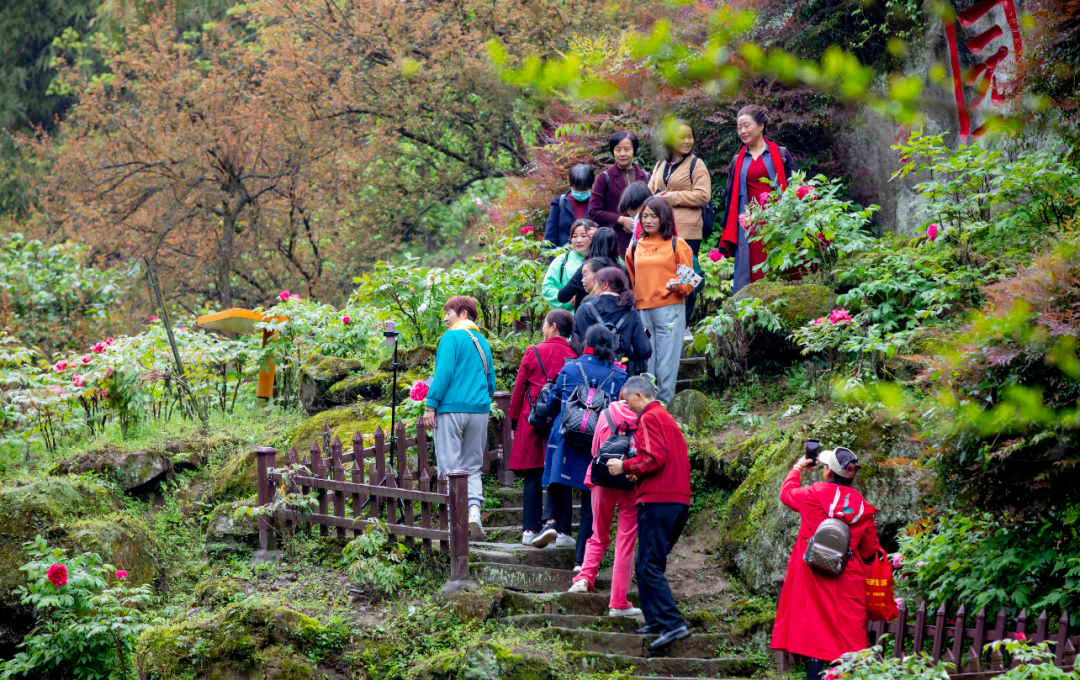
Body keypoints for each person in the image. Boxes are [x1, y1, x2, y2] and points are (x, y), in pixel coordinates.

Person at [771, 447, 880, 680]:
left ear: (829, 472)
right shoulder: (862, 507)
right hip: (847, 579)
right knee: (847, 640)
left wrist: (798, 468)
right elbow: (870, 548)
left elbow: (786, 493)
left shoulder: (811, 494)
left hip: (812, 574)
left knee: (814, 640)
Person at [605, 375, 691, 652]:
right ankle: (655, 620)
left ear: (639, 396)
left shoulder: (649, 417)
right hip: (674, 499)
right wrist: (637, 474)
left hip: (659, 501)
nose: (628, 409)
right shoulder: (665, 418)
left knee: (649, 565)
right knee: (647, 564)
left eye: (628, 402)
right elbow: (661, 458)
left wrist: (626, 466)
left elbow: (654, 457)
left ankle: (673, 623)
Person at [532, 325, 628, 570]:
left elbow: (553, 403)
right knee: (589, 498)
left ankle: (551, 522)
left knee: (557, 478)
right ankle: (581, 560)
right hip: (598, 440)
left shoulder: (570, 367)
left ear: (586, 342)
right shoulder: (619, 376)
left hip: (567, 433)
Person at [422, 296, 497, 541]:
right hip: (479, 410)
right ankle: (474, 512)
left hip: (451, 409)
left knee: (449, 466)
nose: (445, 318)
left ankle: (455, 520)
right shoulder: (483, 342)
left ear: (463, 313)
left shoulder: (451, 338)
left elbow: (443, 373)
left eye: (448, 313)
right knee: (473, 466)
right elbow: (491, 383)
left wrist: (430, 405)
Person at [567, 386, 642, 619]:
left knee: (598, 534)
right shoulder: (644, 418)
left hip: (601, 478)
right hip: (630, 481)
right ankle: (618, 602)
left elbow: (595, 449)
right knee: (626, 541)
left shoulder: (607, 411)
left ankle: (583, 578)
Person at [507, 309, 578, 546]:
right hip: (564, 421)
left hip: (533, 420)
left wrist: (514, 422)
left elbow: (518, 391)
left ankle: (530, 529)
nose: (543, 328)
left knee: (534, 474)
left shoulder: (534, 351)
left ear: (554, 326)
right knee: (563, 473)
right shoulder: (574, 355)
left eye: (545, 324)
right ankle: (563, 532)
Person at [719, 105, 798, 293]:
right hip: (749, 225)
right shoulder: (737, 159)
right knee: (749, 272)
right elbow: (730, 197)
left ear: (761, 125)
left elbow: (796, 187)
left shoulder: (780, 154)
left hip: (778, 222)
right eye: (739, 128)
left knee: (780, 267)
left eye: (746, 126)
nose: (742, 131)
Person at [624, 196, 694, 404]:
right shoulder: (635, 246)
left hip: (670, 309)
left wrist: (678, 286)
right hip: (642, 311)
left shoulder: (677, 244)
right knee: (647, 363)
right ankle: (645, 408)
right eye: (644, 216)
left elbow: (689, 282)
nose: (648, 220)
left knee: (667, 364)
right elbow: (631, 280)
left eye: (653, 216)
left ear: (664, 218)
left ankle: (663, 409)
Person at [647, 120, 711, 256]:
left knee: (684, 274)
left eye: (690, 136)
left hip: (687, 232)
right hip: (661, 229)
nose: (687, 141)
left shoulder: (696, 164)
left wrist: (673, 197)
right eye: (682, 137)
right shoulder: (660, 165)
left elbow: (703, 195)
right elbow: (649, 193)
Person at [574, 267, 651, 376]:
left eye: (596, 284)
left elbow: (574, 345)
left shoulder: (583, 310)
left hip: (588, 374)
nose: (594, 289)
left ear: (605, 285)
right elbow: (644, 350)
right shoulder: (631, 312)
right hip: (622, 376)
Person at [589, 131, 651, 254]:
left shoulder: (647, 177)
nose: (622, 154)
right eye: (618, 149)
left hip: (643, 241)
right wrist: (621, 219)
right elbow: (593, 212)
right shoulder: (605, 177)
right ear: (613, 151)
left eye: (627, 149)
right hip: (614, 242)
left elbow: (654, 209)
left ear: (634, 150)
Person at [557, 226, 624, 310]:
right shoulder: (621, 270)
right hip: (617, 317)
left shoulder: (588, 268)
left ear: (593, 244)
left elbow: (562, 296)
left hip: (588, 317)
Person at [542, 219, 595, 311]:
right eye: (574, 236)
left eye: (583, 236)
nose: (578, 240)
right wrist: (568, 302)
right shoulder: (561, 260)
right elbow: (547, 288)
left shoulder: (605, 259)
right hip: (569, 319)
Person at [544, 164, 596, 248]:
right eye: (577, 188)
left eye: (584, 189)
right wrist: (551, 258)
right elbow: (550, 235)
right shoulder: (559, 203)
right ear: (571, 184)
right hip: (564, 256)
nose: (580, 191)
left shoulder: (597, 203)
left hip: (591, 257)